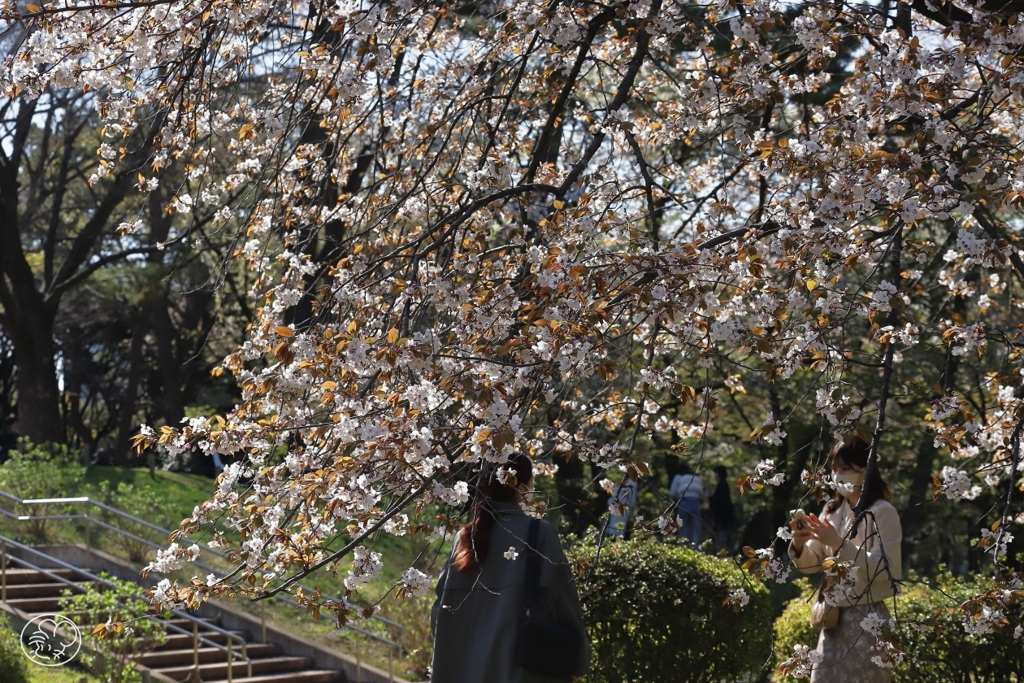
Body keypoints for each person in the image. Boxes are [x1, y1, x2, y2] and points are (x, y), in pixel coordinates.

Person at [431, 453, 591, 683]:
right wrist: (576, 662)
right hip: (519, 672)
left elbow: (440, 608)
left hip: (464, 670)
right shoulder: (538, 534)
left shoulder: (465, 537)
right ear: (522, 485)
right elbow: (563, 602)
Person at [788, 436, 902, 683]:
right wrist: (798, 543)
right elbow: (812, 563)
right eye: (835, 468)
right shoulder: (832, 510)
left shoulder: (883, 512)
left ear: (865, 471)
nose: (838, 475)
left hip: (869, 619)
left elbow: (887, 570)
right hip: (833, 618)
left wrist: (839, 543)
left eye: (846, 468)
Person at [669, 463, 704, 546]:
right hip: (696, 503)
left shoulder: (678, 477)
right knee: (695, 528)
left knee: (682, 527)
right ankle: (695, 549)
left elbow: (672, 493)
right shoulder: (696, 477)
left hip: (683, 502)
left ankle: (683, 548)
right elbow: (702, 493)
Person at [708, 465, 736, 553]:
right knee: (726, 534)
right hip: (725, 515)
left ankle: (721, 552)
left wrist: (711, 499)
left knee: (723, 535)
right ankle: (729, 552)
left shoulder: (722, 485)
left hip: (723, 516)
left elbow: (720, 500)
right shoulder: (723, 484)